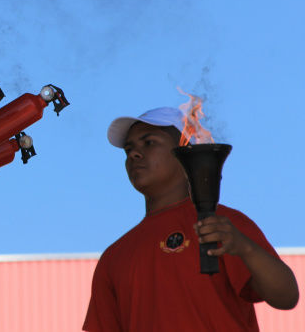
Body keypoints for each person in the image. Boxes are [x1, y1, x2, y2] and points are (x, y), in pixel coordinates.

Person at [83, 107, 299, 332]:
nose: (133, 154)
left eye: (149, 142)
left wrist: (244, 247)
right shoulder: (114, 256)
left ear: (185, 152)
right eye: (129, 149)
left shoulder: (225, 224)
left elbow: (286, 297)